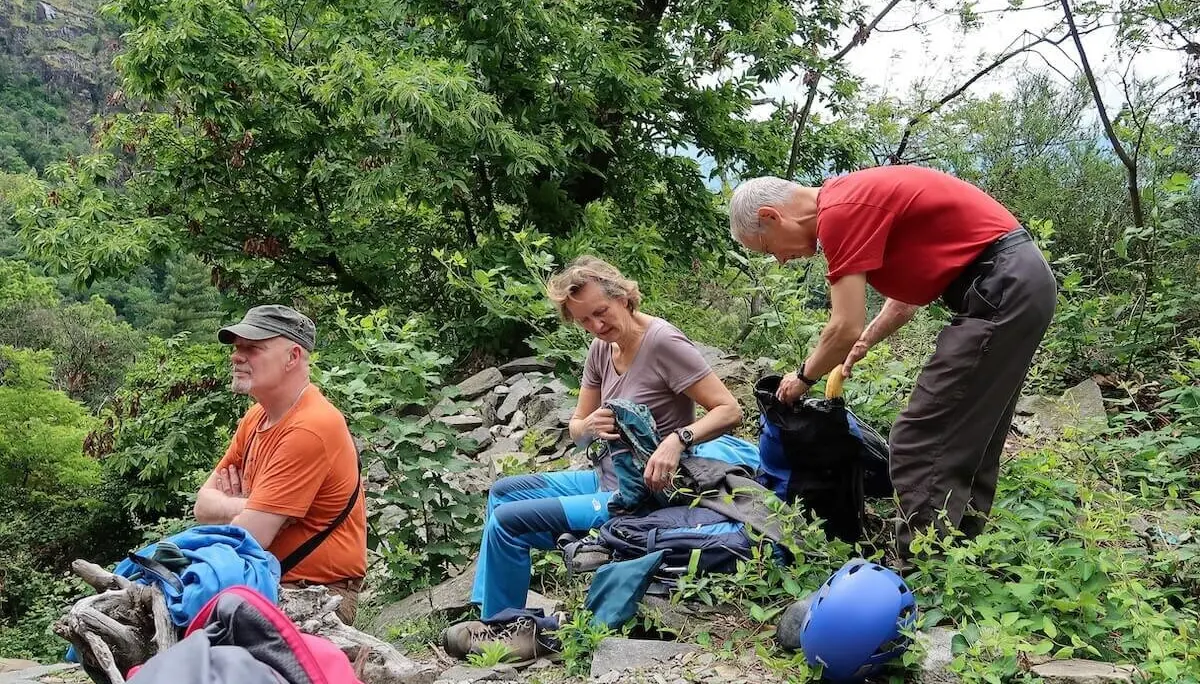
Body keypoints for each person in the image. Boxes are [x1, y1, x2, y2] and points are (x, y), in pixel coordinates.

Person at [728, 166, 1057, 563]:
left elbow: (843, 325)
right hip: (1017, 282)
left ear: (770, 216)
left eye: (768, 249)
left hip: (1001, 284)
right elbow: (903, 302)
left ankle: (919, 567)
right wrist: (865, 341)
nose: (780, 260)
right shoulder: (850, 201)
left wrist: (803, 377)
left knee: (921, 437)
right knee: (972, 433)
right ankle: (958, 554)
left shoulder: (839, 212)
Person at [444, 256, 756, 658]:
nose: (596, 326)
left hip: (640, 493)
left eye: (601, 312)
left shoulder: (663, 343)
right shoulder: (601, 349)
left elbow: (729, 410)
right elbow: (576, 429)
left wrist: (677, 440)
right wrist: (589, 425)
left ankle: (501, 631)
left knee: (508, 523)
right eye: (584, 321)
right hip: (604, 475)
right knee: (503, 492)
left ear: (623, 297)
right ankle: (496, 612)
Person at [193, 305, 367, 625]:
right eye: (237, 347)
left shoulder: (310, 428)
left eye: (253, 348)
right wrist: (249, 505)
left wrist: (247, 512)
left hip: (315, 594)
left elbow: (250, 536)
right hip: (263, 580)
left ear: (292, 357)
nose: (236, 357)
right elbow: (202, 507)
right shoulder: (255, 418)